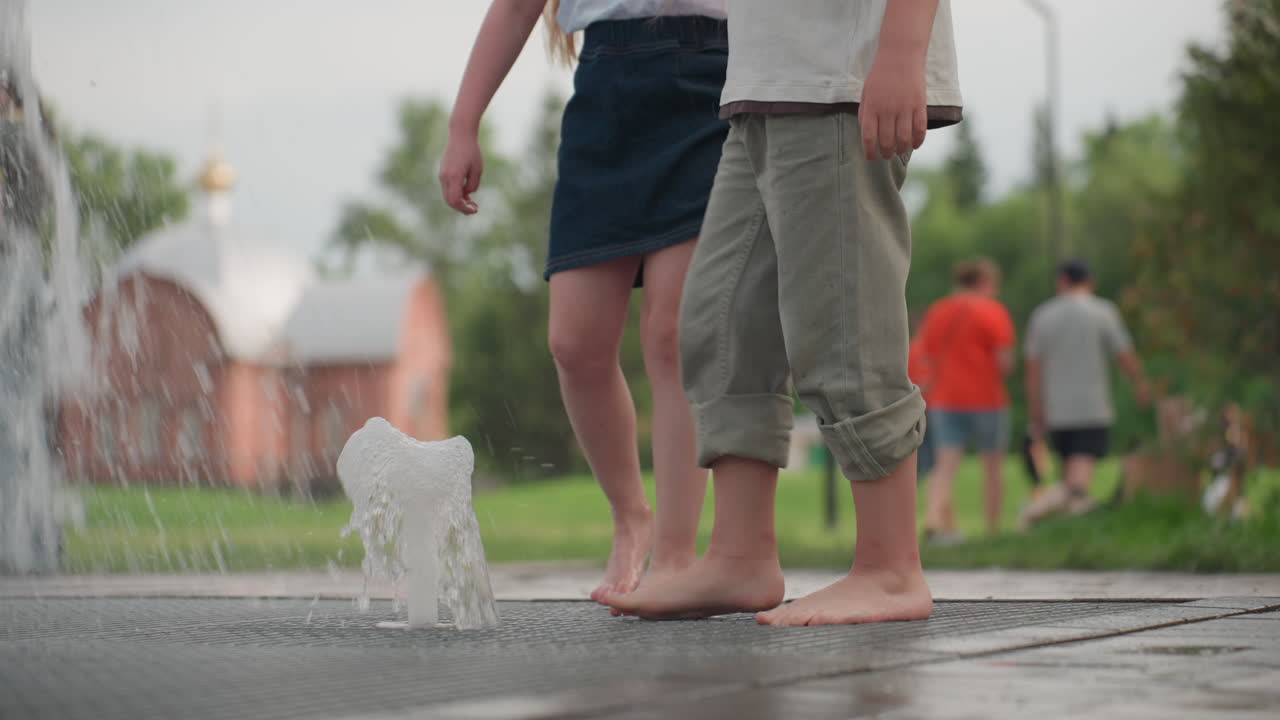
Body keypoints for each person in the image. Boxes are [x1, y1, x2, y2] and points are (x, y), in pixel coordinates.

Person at [610, 0, 963, 625]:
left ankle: (890, 569)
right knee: (721, 321)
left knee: (842, 324)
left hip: (841, 76)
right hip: (764, 83)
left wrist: (903, 53)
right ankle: (740, 557)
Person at [440, 1, 728, 605]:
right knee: (574, 344)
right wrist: (463, 126)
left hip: (712, 78)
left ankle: (677, 555)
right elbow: (516, 8)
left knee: (674, 334)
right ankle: (631, 517)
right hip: (604, 91)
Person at [1023, 259, 1149, 519]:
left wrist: (1035, 409)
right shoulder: (1103, 311)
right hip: (1092, 405)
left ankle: (1058, 510)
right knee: (1080, 471)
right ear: (1090, 281)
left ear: (1062, 281)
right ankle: (1072, 507)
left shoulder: (1042, 315)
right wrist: (1140, 383)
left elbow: (1033, 369)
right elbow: (1124, 354)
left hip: (1056, 408)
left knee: (1070, 466)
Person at [919, 258, 1015, 542]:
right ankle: (993, 531)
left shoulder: (938, 311)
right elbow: (1005, 361)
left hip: (945, 399)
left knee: (945, 465)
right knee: (993, 466)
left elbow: (928, 353)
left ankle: (934, 521)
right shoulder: (992, 311)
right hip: (987, 399)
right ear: (985, 283)